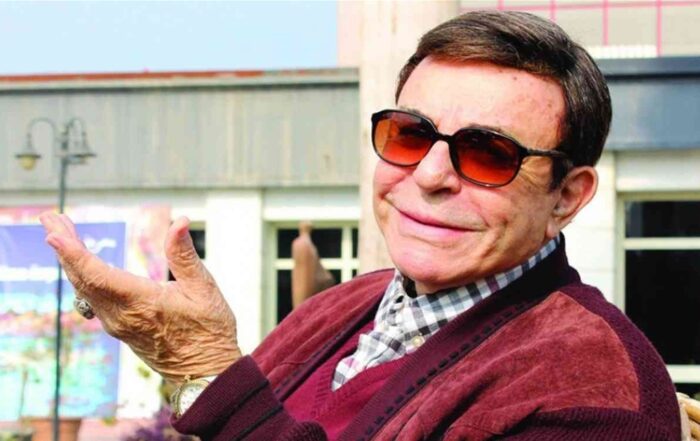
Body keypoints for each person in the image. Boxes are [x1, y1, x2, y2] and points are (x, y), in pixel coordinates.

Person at [39, 10, 680, 441]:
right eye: (410, 135)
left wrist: (204, 369)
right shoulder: (340, 305)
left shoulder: (597, 390)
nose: (429, 175)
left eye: (488, 153)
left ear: (567, 197)